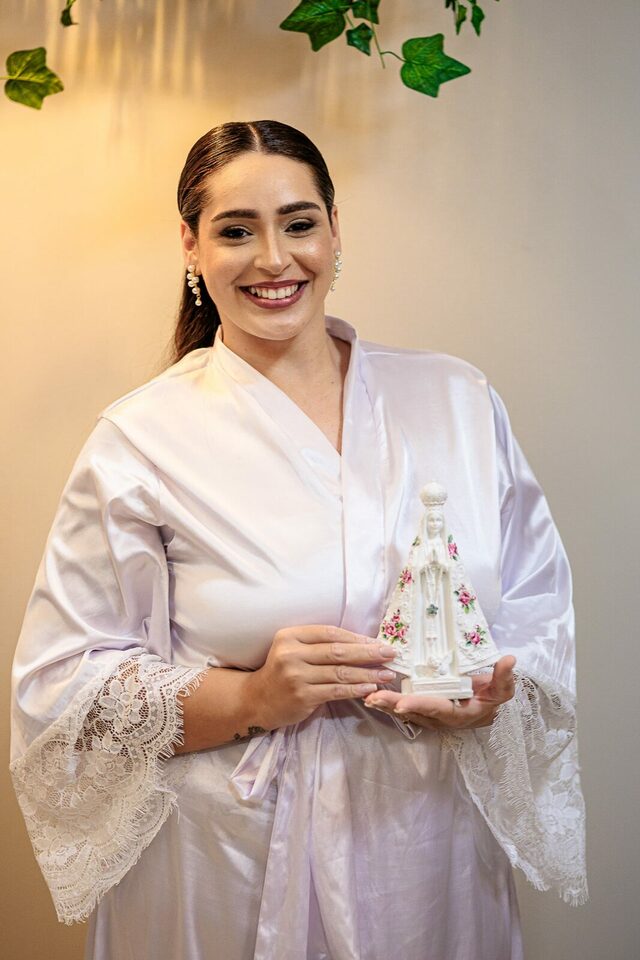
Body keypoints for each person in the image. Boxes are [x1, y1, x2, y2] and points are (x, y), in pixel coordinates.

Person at [9, 120, 587, 960]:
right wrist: (251, 698)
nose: (275, 259)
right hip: (227, 863)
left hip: (429, 848)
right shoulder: (141, 438)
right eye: (236, 231)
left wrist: (492, 691)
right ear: (191, 247)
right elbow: (61, 685)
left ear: (335, 230)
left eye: (299, 223)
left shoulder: (457, 399)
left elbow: (537, 612)